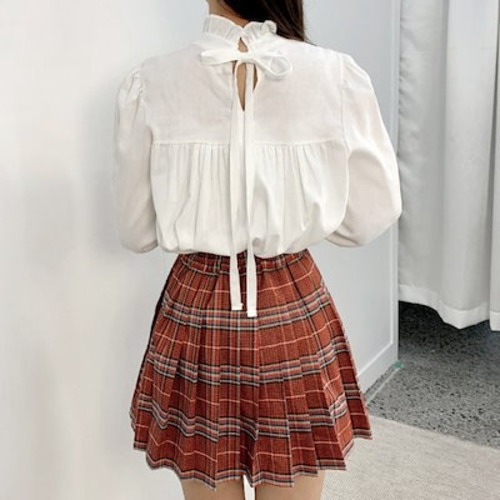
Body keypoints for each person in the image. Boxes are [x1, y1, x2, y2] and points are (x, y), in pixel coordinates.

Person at [112, 0, 402, 499]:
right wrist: (296, 212)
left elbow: (135, 231)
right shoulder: (334, 75)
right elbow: (369, 216)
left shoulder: (153, 81)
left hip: (196, 310)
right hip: (291, 302)